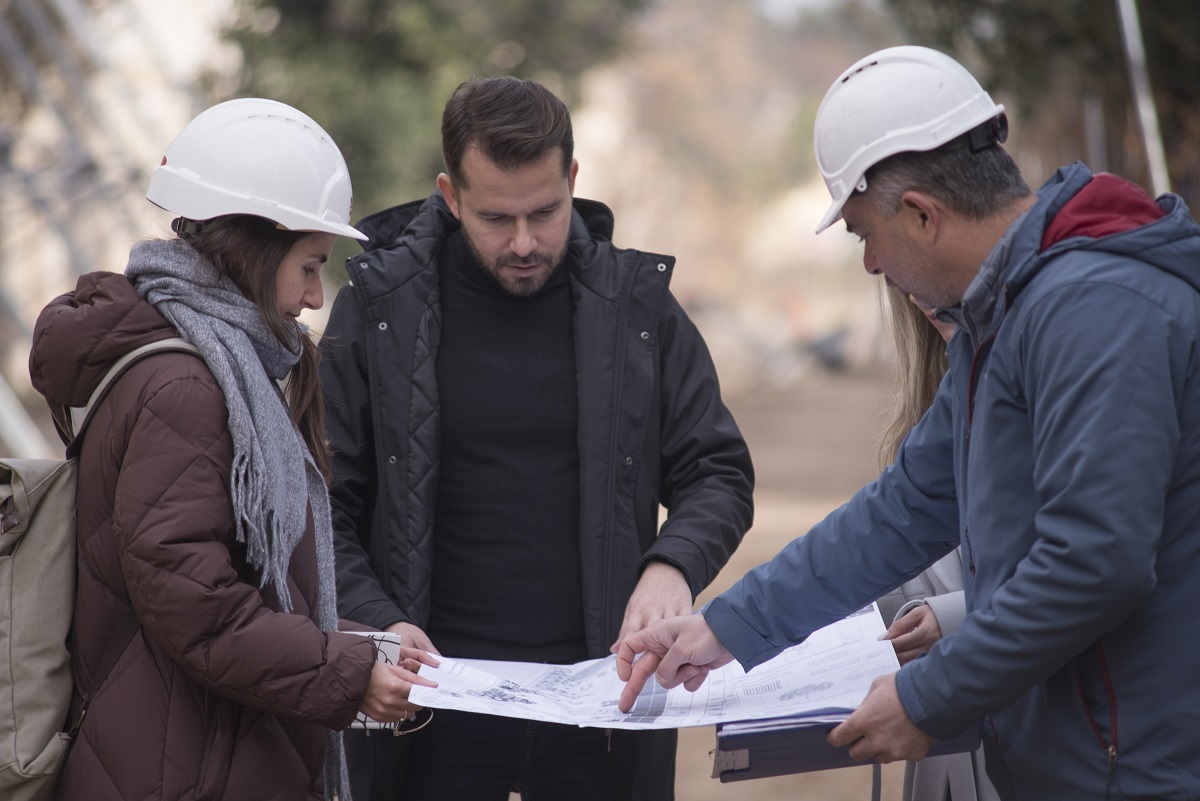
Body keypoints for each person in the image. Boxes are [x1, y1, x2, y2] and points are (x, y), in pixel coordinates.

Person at [616, 44, 1200, 800]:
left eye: (864, 234)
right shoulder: (1013, 309)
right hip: (1079, 759)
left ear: (922, 214)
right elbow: (905, 506)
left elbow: (1096, 561)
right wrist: (724, 628)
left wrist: (930, 696)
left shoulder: (1093, 311)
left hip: (1141, 768)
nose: (869, 266)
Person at [319, 76, 754, 800]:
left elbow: (717, 470)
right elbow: (319, 503)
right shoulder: (375, 312)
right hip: (430, 709)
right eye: (495, 217)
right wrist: (379, 621)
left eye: (546, 212)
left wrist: (672, 565)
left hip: (606, 702)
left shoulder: (637, 309)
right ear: (450, 195)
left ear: (573, 180)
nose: (524, 242)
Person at [28, 98, 436, 801]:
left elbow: (250, 584)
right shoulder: (185, 385)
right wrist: (345, 670)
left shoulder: (212, 364)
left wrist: (369, 645)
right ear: (253, 246)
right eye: (309, 266)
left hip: (189, 759)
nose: (314, 296)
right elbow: (200, 608)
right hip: (179, 773)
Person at [875, 287, 996, 801]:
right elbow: (874, 549)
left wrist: (952, 619)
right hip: (943, 756)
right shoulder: (927, 413)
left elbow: (1093, 567)